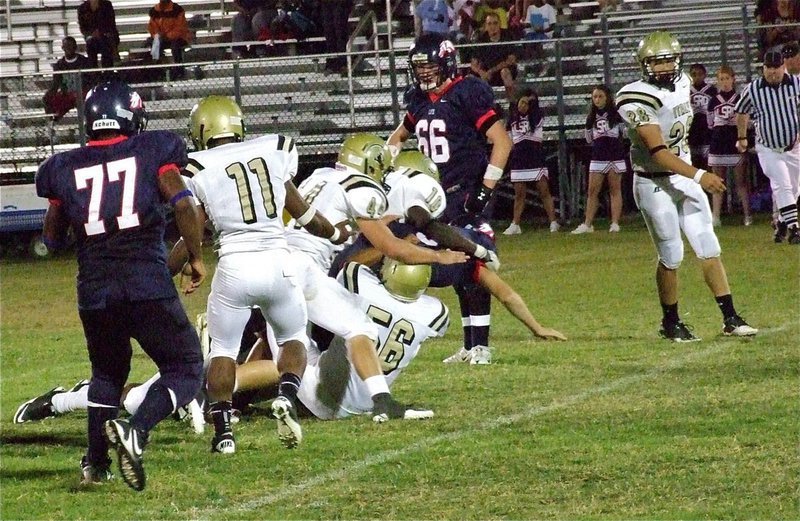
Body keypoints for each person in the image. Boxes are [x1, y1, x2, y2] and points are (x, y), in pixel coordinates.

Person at [33, 80, 206, 491]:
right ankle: (137, 429)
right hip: (145, 279)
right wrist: (196, 256)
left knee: (106, 373)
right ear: (132, 115)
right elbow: (183, 203)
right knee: (185, 369)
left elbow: (52, 239)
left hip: (94, 289)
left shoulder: (62, 167)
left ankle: (95, 465)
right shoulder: (153, 151)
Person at [182, 95, 353, 453]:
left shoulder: (197, 166)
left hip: (235, 268)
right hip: (279, 263)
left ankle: (224, 434)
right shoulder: (273, 150)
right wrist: (336, 234)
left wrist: (170, 268)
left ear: (201, 131)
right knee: (293, 338)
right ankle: (288, 394)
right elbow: (307, 218)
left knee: (224, 350)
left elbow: (191, 233)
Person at [615, 31, 758, 341]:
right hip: (653, 181)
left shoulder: (683, 83)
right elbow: (658, 151)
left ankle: (730, 317)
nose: (665, 68)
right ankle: (671, 322)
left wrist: (693, 175)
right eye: (657, 62)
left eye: (669, 60)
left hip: (684, 174)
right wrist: (699, 175)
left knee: (708, 244)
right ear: (644, 65)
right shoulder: (633, 96)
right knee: (672, 252)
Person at [388, 34, 512, 225]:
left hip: (466, 188)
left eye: (430, 66)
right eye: (420, 67)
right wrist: (386, 165)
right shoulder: (418, 99)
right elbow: (399, 135)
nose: (424, 72)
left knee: (470, 249)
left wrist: (485, 190)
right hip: (431, 190)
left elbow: (503, 142)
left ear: (446, 64)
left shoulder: (465, 92)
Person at [735, 49, 800, 244]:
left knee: (795, 189)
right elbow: (741, 113)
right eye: (768, 68)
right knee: (783, 185)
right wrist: (742, 137)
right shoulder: (753, 89)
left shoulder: (796, 84)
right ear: (763, 68)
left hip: (794, 147)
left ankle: (781, 222)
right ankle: (794, 229)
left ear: (783, 66)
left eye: (776, 68)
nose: (773, 72)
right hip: (768, 148)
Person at [502, 88, 559, 235]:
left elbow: (536, 114)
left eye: (527, 103)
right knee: (519, 193)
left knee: (543, 190)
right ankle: (515, 224)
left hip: (535, 156)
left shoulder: (537, 116)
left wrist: (531, 103)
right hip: (519, 158)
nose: (523, 106)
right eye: (521, 102)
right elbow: (509, 138)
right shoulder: (513, 119)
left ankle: (553, 222)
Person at [571, 84, 627, 234]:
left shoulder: (616, 114)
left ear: (607, 97)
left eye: (600, 96)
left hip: (614, 154)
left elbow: (625, 132)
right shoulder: (591, 117)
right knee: (592, 191)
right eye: (594, 97)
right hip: (598, 155)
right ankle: (588, 224)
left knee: (615, 189)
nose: (597, 99)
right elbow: (588, 138)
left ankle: (615, 223)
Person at [707, 66, 752, 227]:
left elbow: (747, 119)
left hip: (735, 140)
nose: (725, 82)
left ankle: (747, 215)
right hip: (718, 142)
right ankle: (716, 216)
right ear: (717, 81)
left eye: (727, 78)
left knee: (741, 181)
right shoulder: (713, 100)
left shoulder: (740, 98)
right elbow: (710, 123)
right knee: (717, 180)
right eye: (721, 79)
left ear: (733, 79)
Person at [42, 36, 92, 122]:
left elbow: (91, 81)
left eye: (71, 46)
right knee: (48, 98)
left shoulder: (84, 62)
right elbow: (56, 84)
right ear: (62, 48)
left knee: (83, 100)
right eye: (66, 46)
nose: (68, 48)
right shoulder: (59, 65)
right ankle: (53, 121)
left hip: (81, 93)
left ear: (75, 47)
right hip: (66, 94)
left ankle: (88, 124)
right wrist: (49, 95)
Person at [469, 12, 518, 99]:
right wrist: (481, 72)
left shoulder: (508, 35)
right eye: (489, 24)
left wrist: (491, 71)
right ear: (486, 26)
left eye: (495, 23)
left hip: (503, 71)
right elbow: (473, 63)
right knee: (471, 78)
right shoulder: (481, 39)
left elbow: (511, 60)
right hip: (487, 72)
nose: (492, 27)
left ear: (500, 24)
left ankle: (512, 104)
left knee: (505, 72)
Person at [146, 0, 192, 77]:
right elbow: (152, 28)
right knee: (153, 43)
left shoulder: (177, 10)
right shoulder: (154, 11)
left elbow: (180, 28)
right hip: (163, 38)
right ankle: (158, 69)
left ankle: (179, 70)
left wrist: (166, 36)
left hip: (179, 37)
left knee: (175, 46)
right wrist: (157, 35)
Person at [687, 63, 717, 173]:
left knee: (708, 165)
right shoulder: (686, 91)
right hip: (692, 131)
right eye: (694, 74)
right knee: (694, 164)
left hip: (707, 131)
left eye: (700, 74)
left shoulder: (712, 91)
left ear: (705, 75)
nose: (697, 77)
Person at [77, 0, 119, 69]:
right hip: (92, 38)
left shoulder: (106, 5)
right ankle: (94, 73)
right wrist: (92, 33)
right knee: (91, 45)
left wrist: (100, 32)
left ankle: (107, 72)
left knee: (105, 45)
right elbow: (83, 28)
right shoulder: (82, 8)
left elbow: (111, 24)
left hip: (106, 36)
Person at [319, 0, 353, 73]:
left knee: (340, 31)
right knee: (329, 33)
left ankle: (342, 62)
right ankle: (332, 62)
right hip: (327, 4)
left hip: (340, 3)